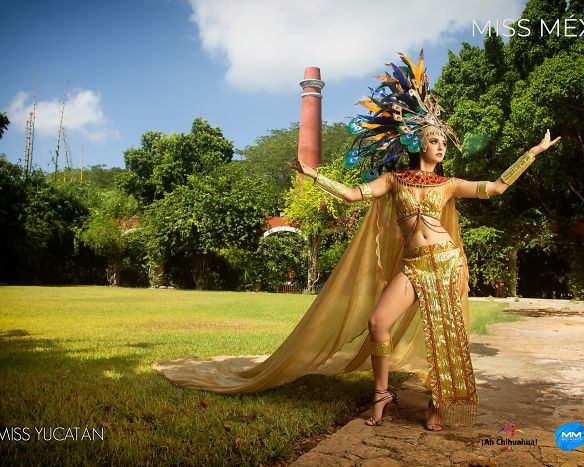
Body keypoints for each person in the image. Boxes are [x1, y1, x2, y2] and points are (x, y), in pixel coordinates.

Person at [153, 50, 559, 431]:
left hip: (447, 262)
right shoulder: (394, 180)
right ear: (419, 142)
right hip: (415, 266)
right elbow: (352, 196)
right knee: (377, 322)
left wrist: (533, 152)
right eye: (434, 141)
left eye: (442, 143)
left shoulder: (449, 184)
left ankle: (439, 399)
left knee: (443, 331)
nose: (440, 148)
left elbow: (497, 188)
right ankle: (382, 394)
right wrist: (314, 176)